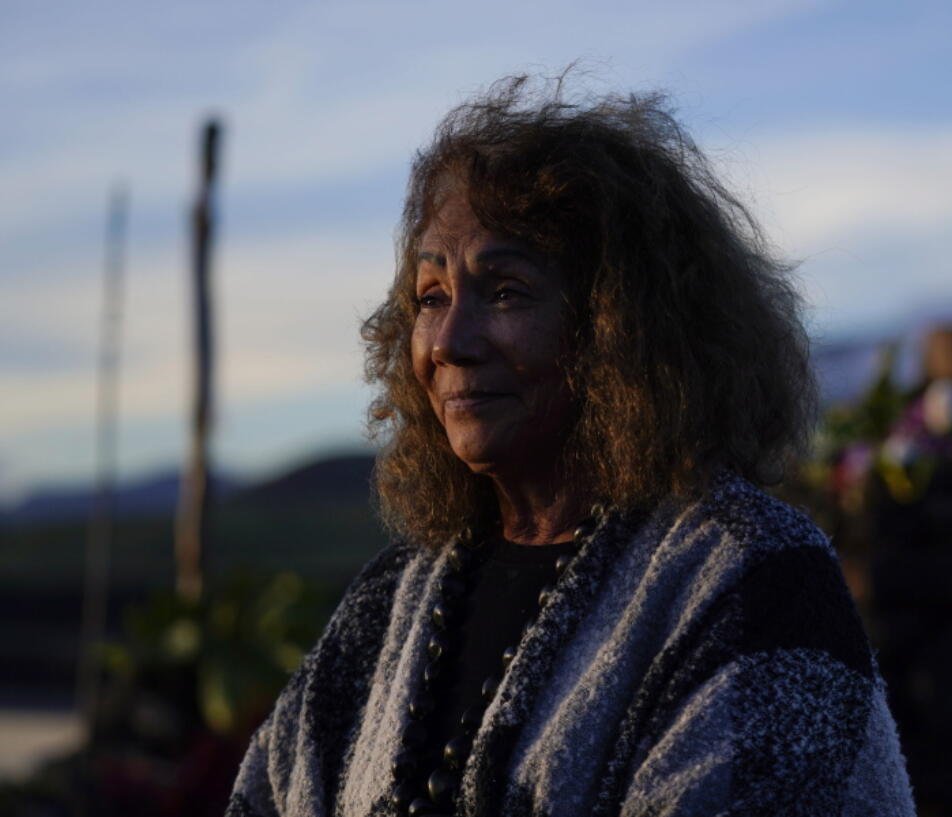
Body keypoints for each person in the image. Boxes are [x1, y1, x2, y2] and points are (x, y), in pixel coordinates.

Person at [226, 75, 915, 817]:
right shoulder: (389, 604)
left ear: (618, 326)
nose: (451, 342)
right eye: (431, 296)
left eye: (506, 291)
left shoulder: (753, 577)